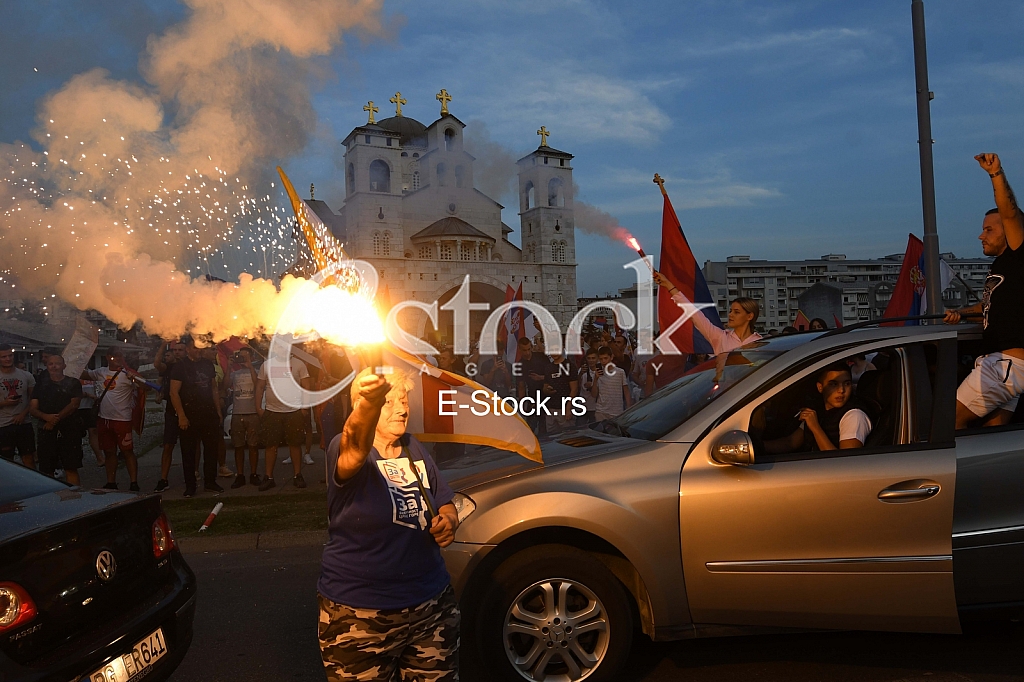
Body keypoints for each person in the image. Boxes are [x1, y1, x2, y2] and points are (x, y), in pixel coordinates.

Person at [317, 368, 459, 681]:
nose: (402, 408)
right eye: (389, 401)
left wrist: (449, 520)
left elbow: (445, 501)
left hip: (431, 607)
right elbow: (355, 444)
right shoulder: (346, 448)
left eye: (404, 400)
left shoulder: (413, 446)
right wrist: (369, 402)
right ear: (362, 406)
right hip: (361, 615)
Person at [945, 153, 1024, 429]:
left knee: (946, 423)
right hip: (1007, 367)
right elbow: (988, 308)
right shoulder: (1002, 266)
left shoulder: (1018, 254)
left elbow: (1009, 211)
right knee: (992, 440)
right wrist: (961, 314)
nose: (981, 235)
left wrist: (995, 174)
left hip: (1007, 365)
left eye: (989, 230)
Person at [765, 362, 874, 453]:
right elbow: (791, 443)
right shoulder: (818, 409)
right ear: (820, 387)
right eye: (833, 384)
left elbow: (845, 464)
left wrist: (815, 427)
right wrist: (759, 447)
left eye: (847, 384)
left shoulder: (854, 416)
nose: (841, 390)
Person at [653, 271, 762, 356]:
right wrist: (668, 285)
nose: (730, 315)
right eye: (730, 311)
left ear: (750, 316)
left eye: (736, 312)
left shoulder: (761, 342)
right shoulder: (720, 337)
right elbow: (694, 314)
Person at [169, 337, 223, 497]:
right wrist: (181, 416)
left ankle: (210, 482)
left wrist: (218, 411)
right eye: (195, 348)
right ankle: (190, 486)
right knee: (189, 453)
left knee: (211, 450)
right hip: (189, 415)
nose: (198, 351)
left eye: (200, 348)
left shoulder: (207, 364)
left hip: (208, 414)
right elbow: (174, 393)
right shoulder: (180, 366)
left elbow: (213, 388)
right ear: (187, 349)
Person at [255, 346, 311, 491]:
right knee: (270, 445)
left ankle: (297, 475)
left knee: (295, 444)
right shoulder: (267, 365)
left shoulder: (299, 364)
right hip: (272, 412)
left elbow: (306, 386)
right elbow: (260, 387)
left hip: (294, 411)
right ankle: (269, 477)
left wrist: (305, 408)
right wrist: (258, 408)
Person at [85, 350, 141, 491]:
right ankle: (111, 482)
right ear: (107, 357)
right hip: (104, 419)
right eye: (113, 356)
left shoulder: (128, 373)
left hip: (122, 420)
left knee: (127, 451)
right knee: (109, 452)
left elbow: (146, 388)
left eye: (119, 356)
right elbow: (83, 375)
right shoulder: (101, 372)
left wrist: (134, 378)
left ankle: (134, 483)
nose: (116, 359)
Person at [30, 354, 83, 485]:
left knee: (71, 468)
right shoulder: (40, 385)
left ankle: (75, 495)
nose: (54, 366)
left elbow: (74, 404)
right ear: (47, 366)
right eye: (51, 364)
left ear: (64, 366)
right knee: (47, 469)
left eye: (57, 364)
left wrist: (55, 420)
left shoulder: (73, 383)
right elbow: (33, 408)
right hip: (46, 431)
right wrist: (46, 417)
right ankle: (51, 496)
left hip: (69, 430)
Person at [153, 339, 187, 492]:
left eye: (180, 350)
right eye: (175, 350)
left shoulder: (190, 366)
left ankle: (193, 473)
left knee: (190, 445)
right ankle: (163, 479)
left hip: (188, 409)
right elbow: (157, 364)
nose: (177, 352)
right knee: (168, 445)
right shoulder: (169, 367)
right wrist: (162, 345)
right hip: (171, 411)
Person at [227, 346, 261, 488]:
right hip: (237, 413)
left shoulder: (257, 371)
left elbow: (257, 385)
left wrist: (250, 366)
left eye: (245, 356)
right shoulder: (234, 374)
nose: (242, 359)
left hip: (252, 412)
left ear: (252, 357)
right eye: (240, 356)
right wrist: (229, 367)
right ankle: (240, 475)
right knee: (238, 446)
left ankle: (254, 474)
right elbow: (225, 385)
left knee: (253, 445)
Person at [0, 344, 36, 470]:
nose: (8, 359)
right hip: (3, 424)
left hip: (24, 423)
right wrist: (5, 403)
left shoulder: (26, 375)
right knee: (6, 461)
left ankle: (32, 481)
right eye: (4, 356)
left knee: (28, 458)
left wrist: (23, 414)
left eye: (10, 355)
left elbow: (33, 399)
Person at [516, 336, 553, 437]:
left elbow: (553, 374)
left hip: (548, 397)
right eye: (524, 350)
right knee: (530, 430)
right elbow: (521, 386)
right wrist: (523, 404)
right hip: (532, 399)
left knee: (545, 429)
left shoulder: (541, 357)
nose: (527, 352)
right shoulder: (519, 364)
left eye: (529, 349)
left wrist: (541, 378)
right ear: (519, 349)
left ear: (531, 347)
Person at [592, 345, 632, 421]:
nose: (603, 361)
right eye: (601, 359)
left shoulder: (620, 372)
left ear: (611, 357)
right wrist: (595, 379)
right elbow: (594, 394)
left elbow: (626, 391)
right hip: (601, 411)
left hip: (616, 411)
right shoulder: (597, 373)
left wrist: (629, 406)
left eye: (605, 358)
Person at [544, 350, 578, 433]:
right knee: (551, 436)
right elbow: (545, 386)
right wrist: (547, 390)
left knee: (568, 436)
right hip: (551, 409)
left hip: (565, 408)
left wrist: (568, 408)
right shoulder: (548, 367)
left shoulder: (570, 366)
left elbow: (574, 389)